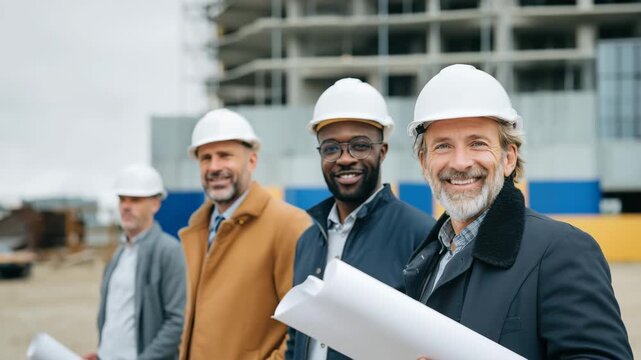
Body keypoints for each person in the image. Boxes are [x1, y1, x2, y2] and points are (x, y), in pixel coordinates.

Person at [405, 64, 632, 359]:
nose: (460, 162)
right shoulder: (427, 260)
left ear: (509, 158)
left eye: (477, 143)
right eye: (443, 146)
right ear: (424, 162)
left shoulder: (562, 251)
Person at [286, 78, 436, 360]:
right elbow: (296, 337)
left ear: (383, 151)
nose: (344, 158)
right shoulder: (307, 241)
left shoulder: (420, 235)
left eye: (360, 145)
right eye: (331, 148)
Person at [179, 109, 311, 360]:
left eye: (225, 156)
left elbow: (304, 327)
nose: (214, 167)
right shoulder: (195, 231)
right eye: (205, 158)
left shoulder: (288, 225)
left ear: (252, 160)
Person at [84, 164, 186, 360]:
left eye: (135, 200)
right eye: (122, 199)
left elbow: (176, 322)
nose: (126, 206)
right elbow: (116, 317)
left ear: (155, 204)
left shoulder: (169, 251)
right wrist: (103, 353)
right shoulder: (119, 254)